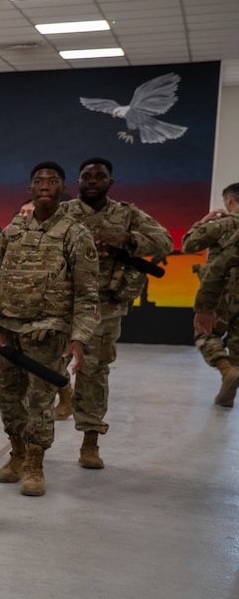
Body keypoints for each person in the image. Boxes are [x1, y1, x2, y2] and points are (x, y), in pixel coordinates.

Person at [0, 162, 99, 497]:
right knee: (9, 399)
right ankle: (16, 453)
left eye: (53, 181)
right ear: (29, 190)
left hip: (48, 334)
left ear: (63, 189)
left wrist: (78, 338)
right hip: (7, 333)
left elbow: (87, 292)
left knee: (41, 401)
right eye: (38, 181)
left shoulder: (76, 235)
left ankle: (34, 462)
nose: (45, 184)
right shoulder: (12, 233)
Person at [59, 157, 171, 467]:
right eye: (86, 176)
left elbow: (165, 241)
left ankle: (90, 441)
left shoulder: (127, 214)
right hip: (61, 304)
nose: (92, 181)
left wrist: (128, 239)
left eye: (99, 176)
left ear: (111, 182)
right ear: (78, 182)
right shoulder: (64, 212)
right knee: (46, 370)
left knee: (94, 371)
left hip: (104, 306)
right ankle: (31, 446)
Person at [183, 183, 239, 407]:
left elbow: (188, 244)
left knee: (205, 333)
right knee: (237, 342)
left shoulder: (223, 224)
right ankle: (229, 392)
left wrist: (204, 220)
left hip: (221, 292)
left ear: (229, 201)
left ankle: (226, 371)